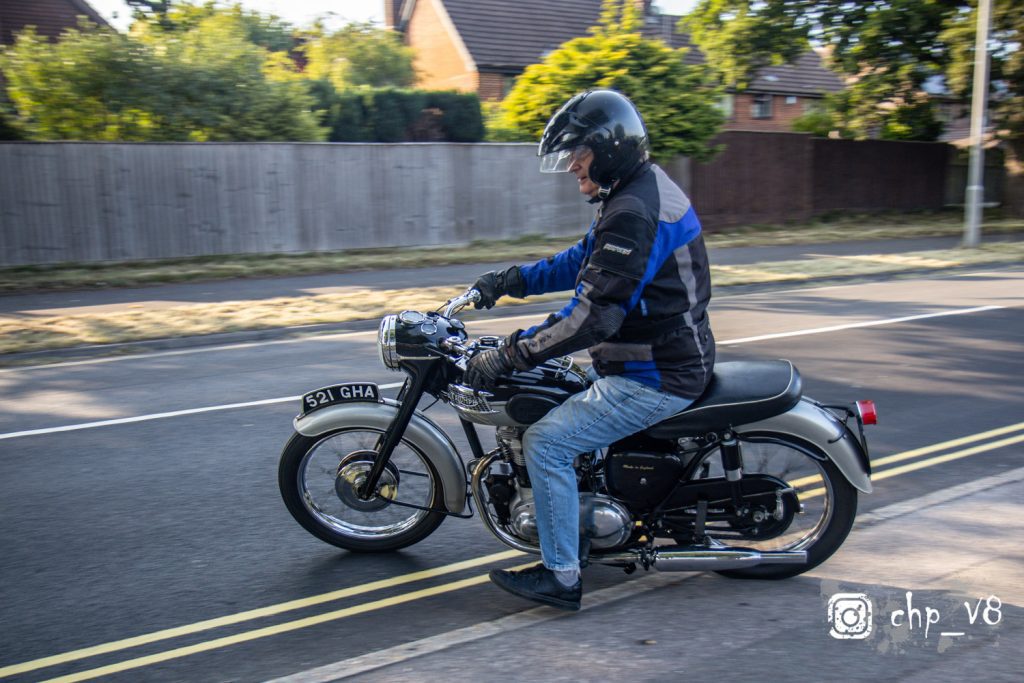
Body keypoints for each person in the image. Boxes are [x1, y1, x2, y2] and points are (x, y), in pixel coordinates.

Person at [463, 90, 715, 611]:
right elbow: (584, 260)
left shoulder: (632, 211)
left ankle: (561, 574)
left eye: (580, 152)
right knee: (560, 394)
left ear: (609, 147)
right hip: (659, 359)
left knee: (547, 442)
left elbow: (592, 317)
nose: (574, 164)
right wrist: (509, 281)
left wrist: (511, 354)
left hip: (656, 375)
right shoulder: (633, 193)